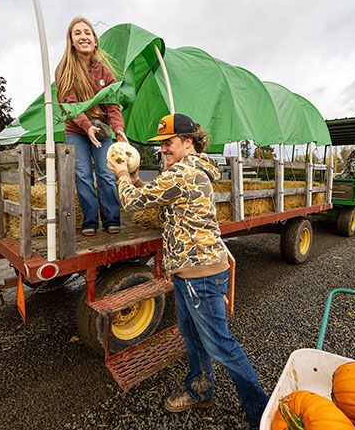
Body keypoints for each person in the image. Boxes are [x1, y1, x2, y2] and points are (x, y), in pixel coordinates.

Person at [107, 113, 268, 429]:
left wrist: (122, 175)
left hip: (199, 274)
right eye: (161, 144)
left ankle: (262, 413)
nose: (163, 149)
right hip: (191, 270)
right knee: (191, 334)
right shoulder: (191, 171)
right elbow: (158, 195)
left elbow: (133, 202)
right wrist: (139, 179)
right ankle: (200, 388)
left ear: (188, 141)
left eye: (168, 142)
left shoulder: (183, 173)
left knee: (221, 345)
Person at [55, 17, 128, 236]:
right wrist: (86, 127)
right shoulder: (65, 70)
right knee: (83, 175)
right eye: (77, 33)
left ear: (95, 41)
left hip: (102, 130)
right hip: (77, 130)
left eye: (87, 32)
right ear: (72, 41)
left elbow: (113, 105)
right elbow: (71, 104)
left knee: (106, 173)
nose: (83, 36)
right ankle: (90, 220)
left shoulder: (105, 73)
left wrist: (119, 130)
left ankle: (112, 218)